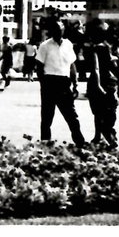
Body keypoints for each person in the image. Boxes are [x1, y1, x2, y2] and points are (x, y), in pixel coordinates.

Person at [33, 18, 87, 148]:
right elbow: (39, 67)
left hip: (64, 82)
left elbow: (72, 65)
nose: (58, 32)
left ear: (63, 30)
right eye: (55, 30)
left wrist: (75, 84)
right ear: (51, 31)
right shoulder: (45, 46)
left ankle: (80, 142)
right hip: (49, 81)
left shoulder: (68, 44)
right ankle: (45, 143)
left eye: (60, 29)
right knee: (47, 116)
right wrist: (44, 83)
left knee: (71, 115)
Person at [82, 27, 119, 149]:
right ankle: (101, 135)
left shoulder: (96, 49)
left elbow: (96, 68)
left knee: (98, 112)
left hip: (98, 82)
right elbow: (113, 63)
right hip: (109, 80)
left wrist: (97, 85)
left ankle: (106, 137)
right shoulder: (107, 47)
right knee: (107, 111)